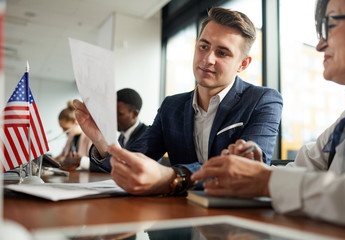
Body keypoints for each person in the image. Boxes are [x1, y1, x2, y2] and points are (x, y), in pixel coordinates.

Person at [74, 7, 283, 195]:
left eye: (222, 52)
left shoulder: (263, 101)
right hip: (179, 215)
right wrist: (101, 138)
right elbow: (130, 161)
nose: (208, 59)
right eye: (204, 46)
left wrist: (172, 176)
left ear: (243, 64)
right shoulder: (171, 107)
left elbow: (248, 170)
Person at [192, 0, 345, 229]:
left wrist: (267, 181)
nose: (320, 44)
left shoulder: (263, 99)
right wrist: (255, 174)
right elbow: (304, 167)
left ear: (243, 64)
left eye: (330, 24)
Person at [89, 88, 148, 172]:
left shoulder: (146, 135)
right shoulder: (121, 137)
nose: (113, 118)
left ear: (134, 114)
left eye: (119, 114)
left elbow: (129, 166)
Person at [56, 101, 92, 171]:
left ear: (76, 123)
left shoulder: (89, 138)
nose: (64, 132)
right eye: (62, 128)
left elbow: (93, 162)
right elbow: (61, 156)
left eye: (66, 129)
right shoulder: (71, 137)